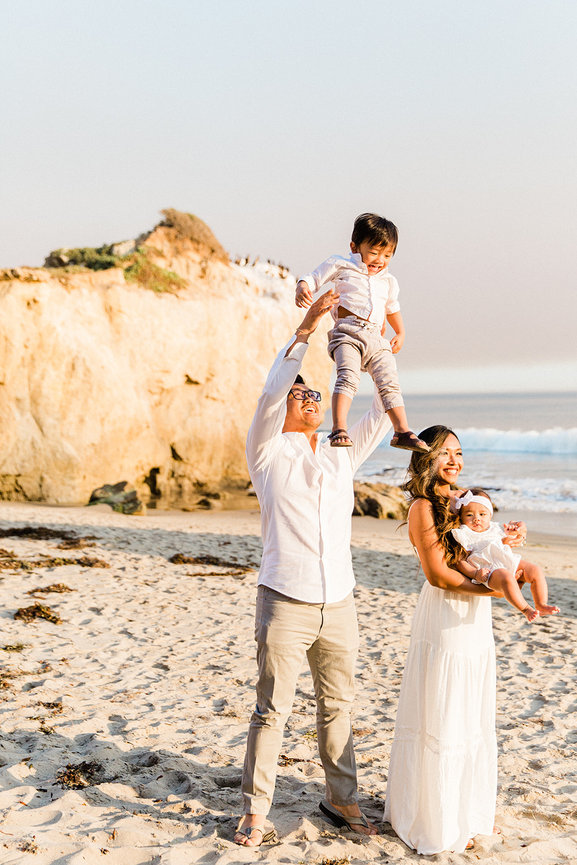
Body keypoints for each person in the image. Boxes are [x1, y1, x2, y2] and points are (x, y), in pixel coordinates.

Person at [234, 290, 389, 847]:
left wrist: (377, 352)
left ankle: (340, 798)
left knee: (339, 705)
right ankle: (256, 810)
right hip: (285, 598)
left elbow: (379, 414)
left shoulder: (341, 451)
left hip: (340, 601)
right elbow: (273, 392)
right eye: (304, 393)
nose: (311, 398)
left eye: (317, 395)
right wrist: (308, 327)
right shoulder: (268, 451)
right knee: (271, 709)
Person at [384, 426, 528, 854]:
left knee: (470, 710)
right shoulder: (423, 508)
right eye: (443, 453)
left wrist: (506, 544)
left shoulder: (465, 501)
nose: (454, 461)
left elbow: (483, 549)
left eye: (459, 453)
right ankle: (436, 818)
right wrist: (495, 589)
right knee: (443, 709)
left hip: (475, 617)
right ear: (424, 459)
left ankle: (467, 813)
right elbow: (438, 574)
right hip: (445, 614)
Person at [295, 212, 428, 453]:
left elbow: (392, 308)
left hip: (377, 338)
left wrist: (401, 332)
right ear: (355, 247)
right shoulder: (341, 265)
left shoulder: (388, 281)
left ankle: (402, 431)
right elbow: (313, 278)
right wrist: (303, 287)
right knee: (348, 377)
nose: (380, 260)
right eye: (374, 252)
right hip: (347, 333)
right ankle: (339, 428)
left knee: (390, 383)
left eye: (387, 255)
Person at [451, 488, 559, 622]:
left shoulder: (494, 528)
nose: (476, 519)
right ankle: (525, 608)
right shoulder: (465, 533)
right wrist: (475, 574)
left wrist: (513, 532)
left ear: (490, 515)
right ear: (461, 517)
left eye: (482, 514)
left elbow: (510, 536)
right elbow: (460, 561)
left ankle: (541, 604)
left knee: (534, 569)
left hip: (507, 560)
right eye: (469, 515)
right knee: (506, 577)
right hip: (489, 570)